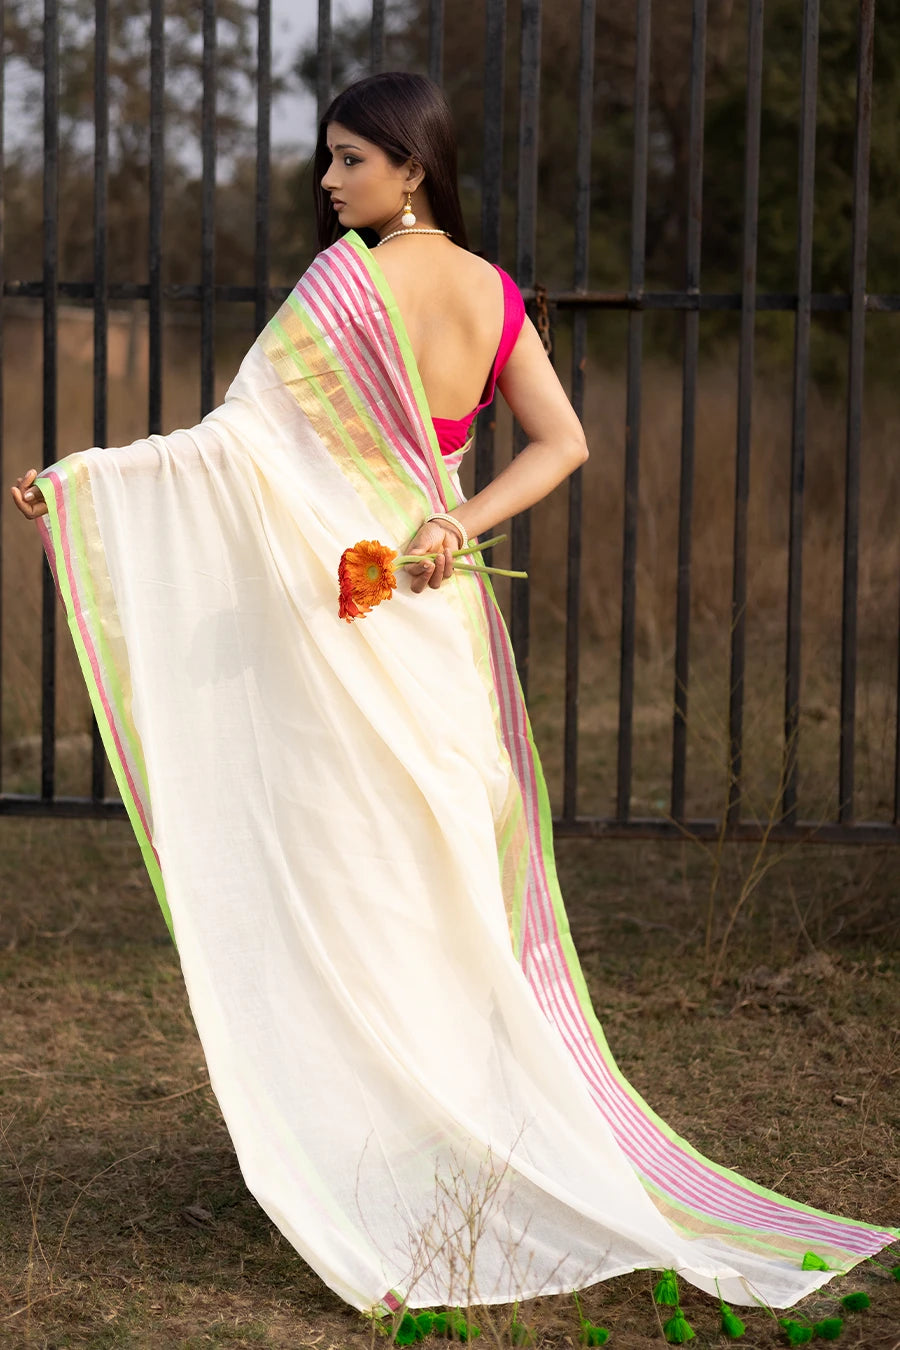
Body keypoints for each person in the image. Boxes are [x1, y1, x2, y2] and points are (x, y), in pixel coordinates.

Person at [10, 71, 898, 1332]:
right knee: (438, 876)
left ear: (410, 169)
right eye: (328, 161)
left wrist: (87, 484)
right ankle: (461, 1129)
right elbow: (561, 441)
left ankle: (397, 1143)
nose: (329, 184)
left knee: (359, 873)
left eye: (348, 161)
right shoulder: (492, 292)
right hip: (432, 622)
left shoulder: (345, 288)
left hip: (350, 620)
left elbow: (235, 449)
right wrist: (454, 522)